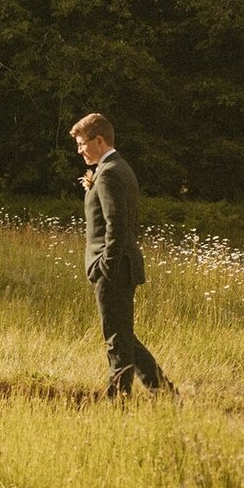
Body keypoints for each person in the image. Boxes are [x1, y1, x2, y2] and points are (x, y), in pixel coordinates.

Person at [70, 113, 177, 399]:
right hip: (121, 266)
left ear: (100, 139)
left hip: (114, 268)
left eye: (82, 144)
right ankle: (165, 393)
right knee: (124, 335)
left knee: (116, 339)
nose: (79, 150)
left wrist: (105, 266)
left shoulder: (109, 173)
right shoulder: (117, 168)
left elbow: (117, 226)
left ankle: (119, 400)